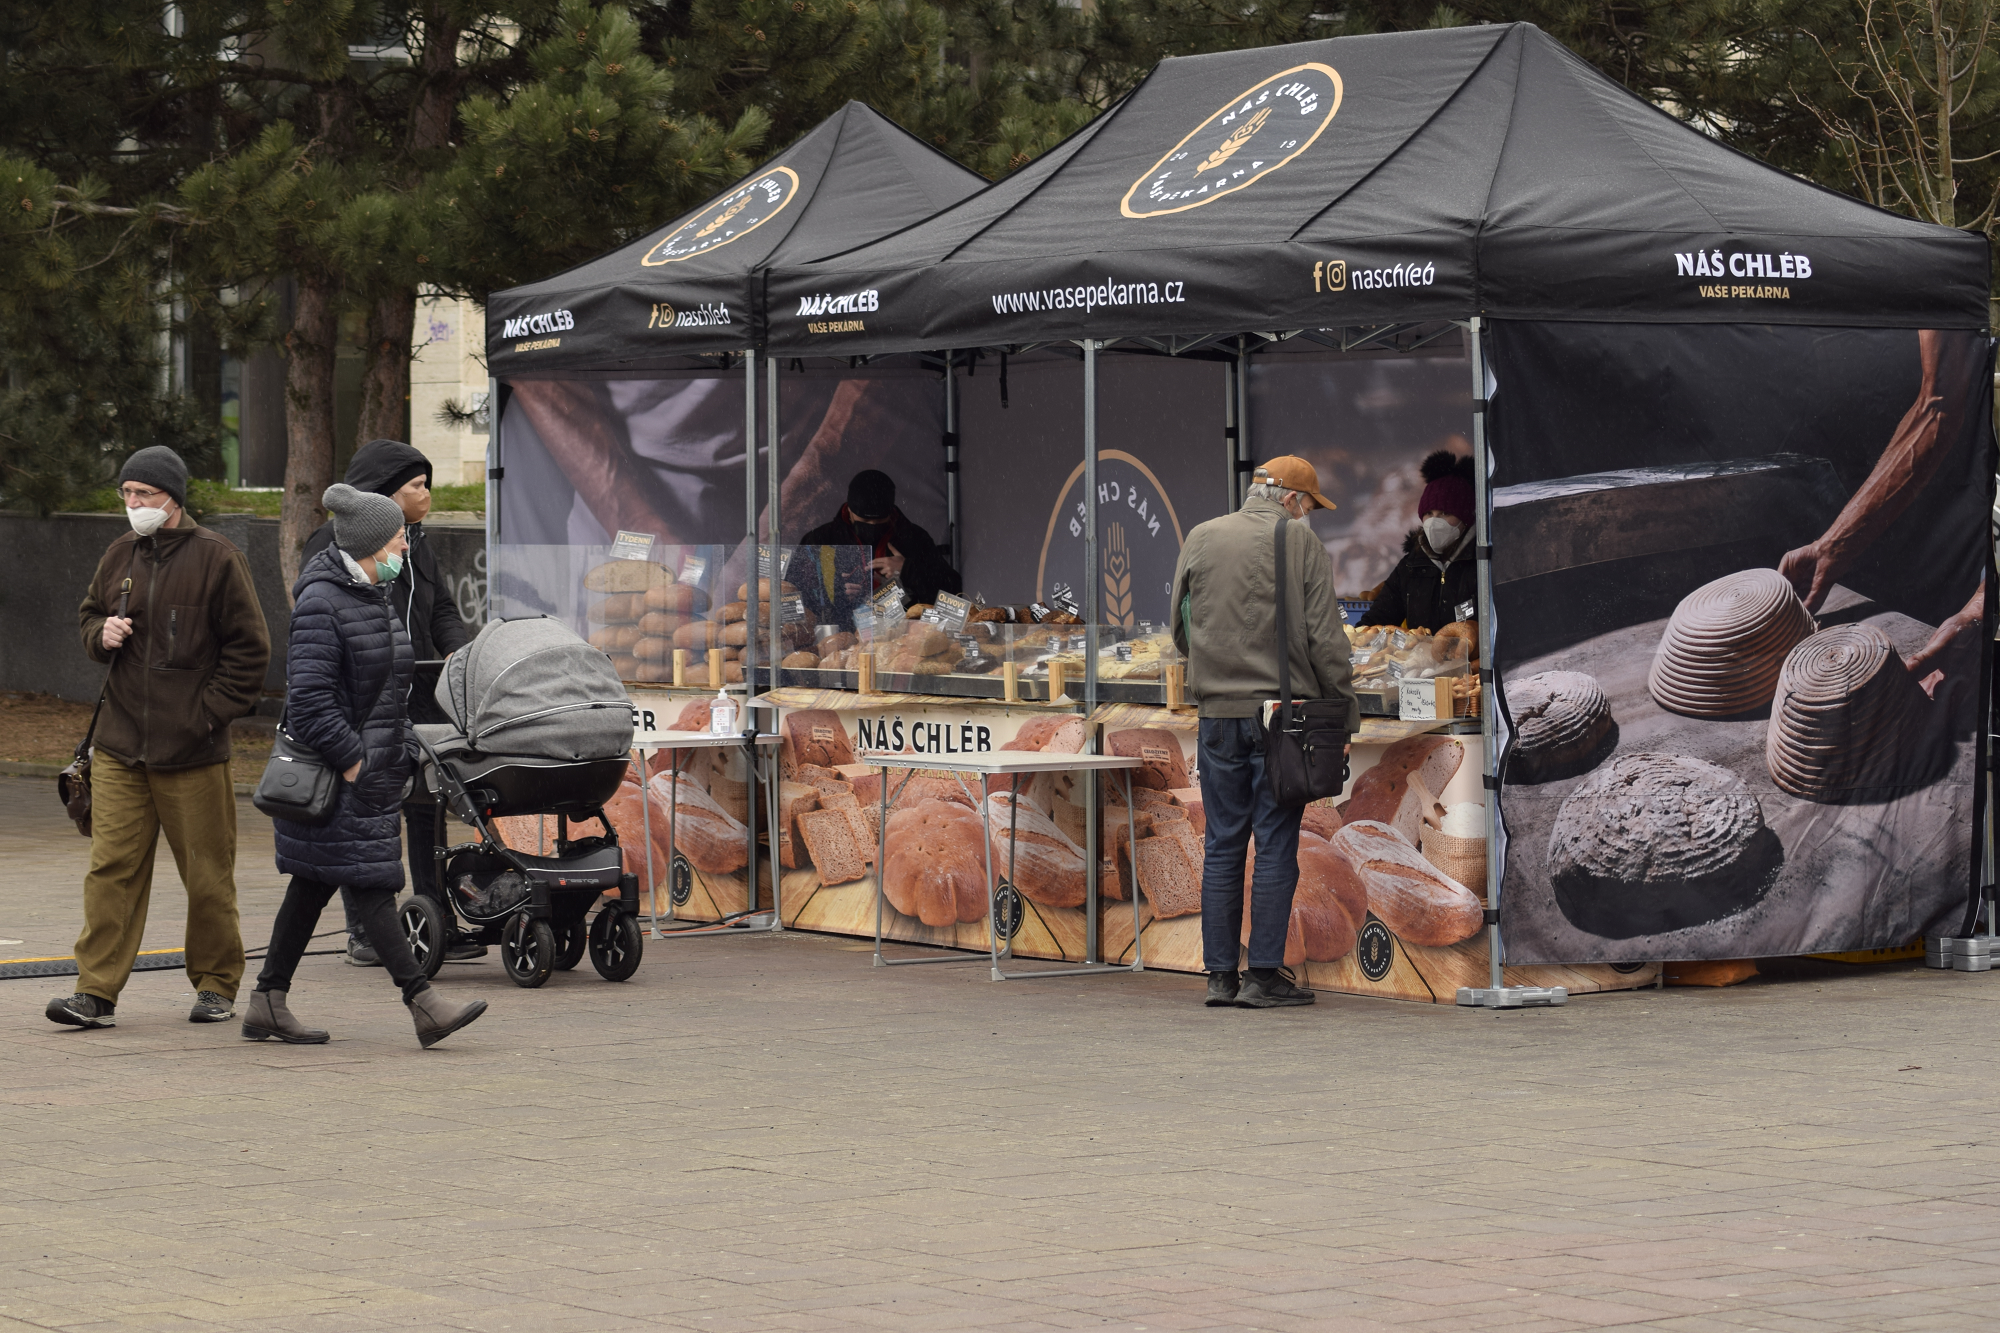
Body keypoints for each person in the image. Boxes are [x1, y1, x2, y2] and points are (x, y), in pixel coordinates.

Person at [243, 484, 487, 1048]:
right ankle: (424, 1004)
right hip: (343, 776)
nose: (408, 546)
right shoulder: (323, 604)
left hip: (374, 768)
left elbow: (387, 691)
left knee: (312, 885)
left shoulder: (369, 593)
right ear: (374, 545)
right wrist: (355, 763)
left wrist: (402, 747)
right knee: (374, 883)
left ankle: (266, 1000)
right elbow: (307, 700)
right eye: (401, 537)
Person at [47, 447, 272, 1030]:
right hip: (121, 749)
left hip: (193, 753)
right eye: (126, 494)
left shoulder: (218, 558)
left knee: (206, 876)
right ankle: (94, 992)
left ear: (173, 497)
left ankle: (217, 984)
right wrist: (103, 633)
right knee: (110, 870)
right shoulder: (120, 553)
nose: (134, 505)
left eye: (144, 494)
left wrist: (206, 714)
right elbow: (88, 615)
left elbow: (252, 652)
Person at [1171, 457, 1359, 1010]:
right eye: (1308, 505)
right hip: (1282, 719)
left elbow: (1180, 626)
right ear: (1291, 500)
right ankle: (1264, 976)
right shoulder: (1301, 546)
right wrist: (1343, 712)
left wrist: (1214, 672)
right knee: (1276, 843)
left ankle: (1219, 977)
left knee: (1223, 843)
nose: (1308, 515)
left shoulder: (1201, 536)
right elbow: (1326, 640)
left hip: (1216, 717)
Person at [301, 440, 478, 967]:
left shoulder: (416, 544)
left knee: (426, 805)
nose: (427, 494)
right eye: (416, 486)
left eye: (427, 483)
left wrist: (458, 653)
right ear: (382, 494)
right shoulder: (328, 545)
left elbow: (440, 606)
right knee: (363, 817)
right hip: (360, 701)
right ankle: (364, 931)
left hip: (419, 691)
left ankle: (433, 918)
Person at [792, 469, 961, 628]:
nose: (872, 526)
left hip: (902, 639)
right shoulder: (821, 540)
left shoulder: (913, 538)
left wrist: (908, 570)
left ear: (891, 511)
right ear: (849, 509)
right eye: (864, 522)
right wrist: (835, 596)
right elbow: (793, 596)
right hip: (840, 642)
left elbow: (953, 591)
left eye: (879, 521)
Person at [1358, 450, 1478, 633]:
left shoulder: (1482, 563)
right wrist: (1358, 639)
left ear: (1465, 519)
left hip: (1469, 661)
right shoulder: (1411, 566)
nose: (1434, 521)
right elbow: (1377, 620)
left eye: (1445, 513)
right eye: (1429, 514)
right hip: (1417, 660)